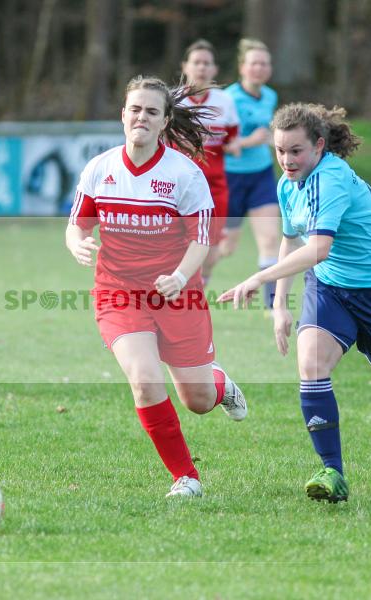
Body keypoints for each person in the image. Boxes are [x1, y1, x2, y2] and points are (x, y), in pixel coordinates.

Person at [219, 103, 371, 503]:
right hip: (330, 288)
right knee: (312, 364)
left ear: (319, 146)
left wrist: (260, 278)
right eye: (280, 151)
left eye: (296, 151)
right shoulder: (287, 184)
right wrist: (279, 304)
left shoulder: (331, 178)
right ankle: (332, 471)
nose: (287, 160)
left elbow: (318, 248)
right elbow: (291, 240)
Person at [66, 75, 247, 499]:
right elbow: (77, 225)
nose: (141, 117)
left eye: (151, 111)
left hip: (177, 294)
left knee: (197, 400)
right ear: (122, 115)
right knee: (145, 379)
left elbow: (202, 239)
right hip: (118, 292)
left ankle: (219, 385)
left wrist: (181, 276)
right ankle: (186, 477)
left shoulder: (184, 174)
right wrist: (77, 242)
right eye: (135, 109)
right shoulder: (100, 168)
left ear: (165, 121)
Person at [221, 38, 282, 310]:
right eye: (254, 63)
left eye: (264, 64)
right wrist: (249, 141)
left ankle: (272, 306)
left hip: (261, 175)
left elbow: (267, 132)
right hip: (231, 178)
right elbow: (216, 144)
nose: (259, 68)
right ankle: (185, 288)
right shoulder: (227, 99)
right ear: (242, 67)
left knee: (270, 239)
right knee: (226, 248)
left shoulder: (270, 96)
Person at [177, 39, 240, 287]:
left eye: (207, 63)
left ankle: (197, 292)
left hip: (214, 186)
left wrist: (237, 145)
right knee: (176, 247)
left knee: (210, 252)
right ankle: (177, 294)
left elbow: (232, 140)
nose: (201, 67)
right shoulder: (172, 101)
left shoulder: (225, 101)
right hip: (178, 187)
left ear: (214, 69)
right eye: (196, 62)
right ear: (185, 66)